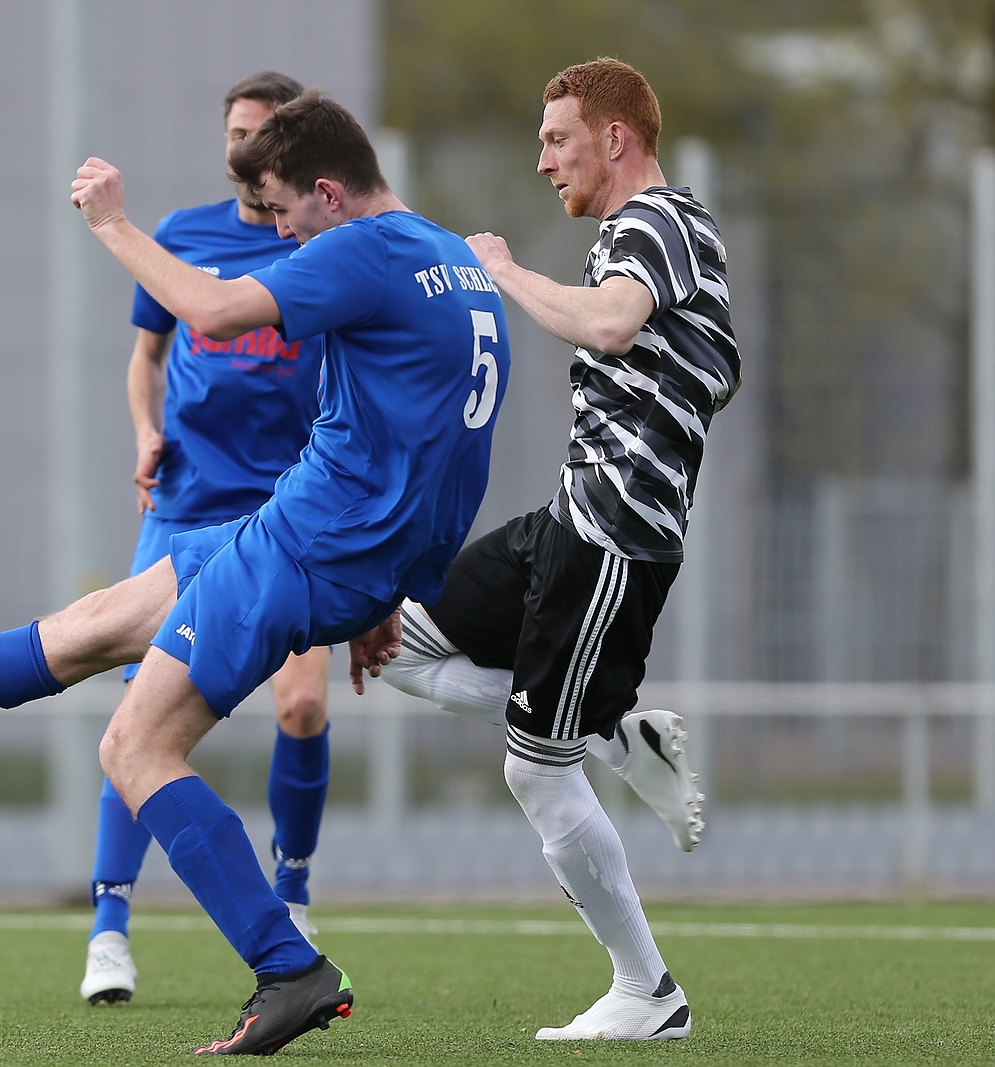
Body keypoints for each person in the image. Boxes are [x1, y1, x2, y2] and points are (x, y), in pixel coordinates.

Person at [0, 90, 510, 1055]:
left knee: (133, 751)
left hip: (302, 549)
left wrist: (110, 220)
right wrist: (383, 583)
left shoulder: (363, 247)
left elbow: (215, 313)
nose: (279, 234)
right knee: (90, 627)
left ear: (329, 192)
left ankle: (288, 967)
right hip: (316, 540)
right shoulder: (456, 262)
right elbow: (444, 449)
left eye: (282, 213)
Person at [364, 57, 736, 1042]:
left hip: (613, 539)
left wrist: (505, 273)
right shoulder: (635, 232)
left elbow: (612, 323)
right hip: (565, 522)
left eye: (557, 139)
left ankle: (647, 991)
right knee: (392, 636)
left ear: (614, 138)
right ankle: (613, 733)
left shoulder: (657, 222)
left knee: (533, 769)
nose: (542, 161)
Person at [82, 71, 335, 1008]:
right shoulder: (183, 235)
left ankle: (294, 892)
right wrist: (146, 431)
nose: (246, 147)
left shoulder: (314, 240)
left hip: (284, 512)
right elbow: (145, 361)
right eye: (235, 131)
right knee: (135, 716)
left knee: (302, 707)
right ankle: (110, 926)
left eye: (262, 133)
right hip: (185, 504)